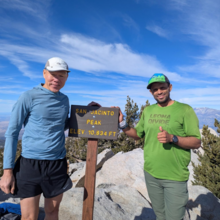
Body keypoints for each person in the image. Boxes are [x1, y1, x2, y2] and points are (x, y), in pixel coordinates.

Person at [116, 73, 201, 220]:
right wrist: (122, 124)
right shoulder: (148, 111)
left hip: (174, 176)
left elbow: (196, 142)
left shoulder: (185, 110)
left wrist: (172, 138)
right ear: (151, 92)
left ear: (170, 87)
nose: (159, 92)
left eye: (162, 87)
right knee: (160, 216)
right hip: (151, 174)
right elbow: (137, 134)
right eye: (155, 89)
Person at [0, 57, 72, 220]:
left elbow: (61, 124)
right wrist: (7, 172)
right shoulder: (28, 96)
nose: (56, 79)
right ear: (44, 73)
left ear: (66, 77)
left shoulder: (64, 100)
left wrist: (87, 111)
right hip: (30, 164)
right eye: (53, 74)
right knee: (29, 217)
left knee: (53, 212)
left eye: (62, 75)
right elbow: (12, 133)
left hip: (57, 163)